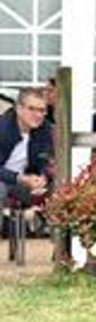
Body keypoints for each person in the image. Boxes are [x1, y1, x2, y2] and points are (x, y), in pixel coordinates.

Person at [0, 88, 55, 233]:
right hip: (5, 180)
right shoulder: (2, 128)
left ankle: (62, 249)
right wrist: (19, 178)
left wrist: (43, 177)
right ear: (18, 108)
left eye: (42, 110)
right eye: (32, 109)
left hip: (28, 183)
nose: (38, 115)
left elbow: (47, 160)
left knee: (62, 188)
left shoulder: (45, 129)